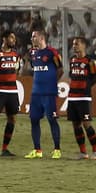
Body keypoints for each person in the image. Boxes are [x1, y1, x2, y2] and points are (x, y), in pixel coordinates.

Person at [24, 29, 63, 159]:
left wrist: (52, 82)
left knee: (52, 119)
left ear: (41, 38)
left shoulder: (52, 53)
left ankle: (57, 149)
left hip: (49, 93)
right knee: (34, 120)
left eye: (34, 36)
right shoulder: (32, 53)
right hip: (36, 93)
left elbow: (60, 69)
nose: (31, 38)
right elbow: (33, 67)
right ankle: (37, 150)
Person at [63, 36, 96, 160]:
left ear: (84, 45)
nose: (74, 46)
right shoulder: (72, 60)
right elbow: (71, 76)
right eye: (73, 44)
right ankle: (83, 152)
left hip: (84, 98)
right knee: (76, 125)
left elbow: (95, 78)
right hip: (72, 97)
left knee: (86, 124)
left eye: (77, 44)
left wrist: (85, 88)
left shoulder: (90, 61)